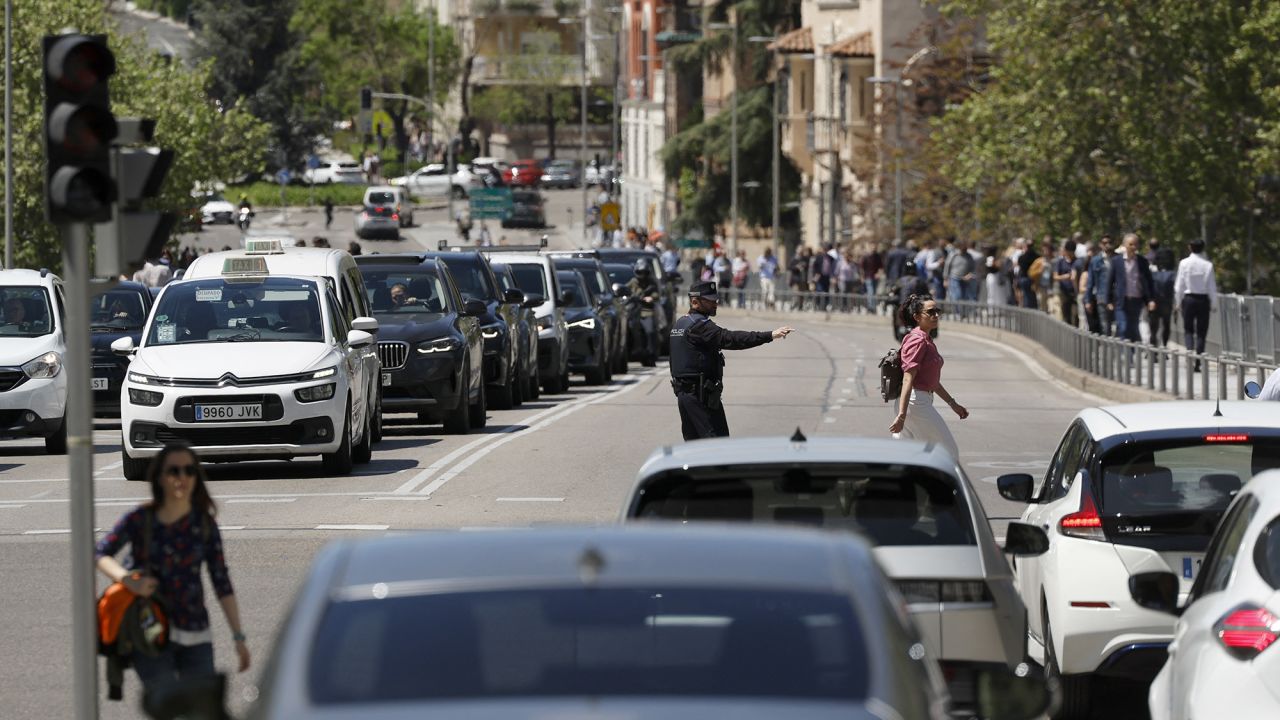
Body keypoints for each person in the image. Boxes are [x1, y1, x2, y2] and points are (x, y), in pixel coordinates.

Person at [94, 444, 250, 692]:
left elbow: (221, 582)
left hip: (196, 633)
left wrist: (238, 637)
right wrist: (128, 580)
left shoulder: (204, 524)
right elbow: (101, 552)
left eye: (189, 470)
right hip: (151, 632)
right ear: (160, 476)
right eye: (174, 471)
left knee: (201, 710)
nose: (182, 477)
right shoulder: (140, 518)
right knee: (166, 708)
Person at [669, 281, 793, 440]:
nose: (716, 303)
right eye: (710, 300)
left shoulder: (680, 324)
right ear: (695, 302)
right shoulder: (700, 326)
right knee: (717, 447)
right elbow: (732, 339)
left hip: (687, 395)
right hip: (700, 397)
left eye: (716, 299)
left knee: (695, 447)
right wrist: (769, 335)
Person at [889, 295, 968, 461]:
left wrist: (953, 404)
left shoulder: (926, 339)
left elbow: (933, 382)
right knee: (948, 453)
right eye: (931, 312)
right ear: (917, 317)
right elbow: (908, 379)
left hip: (917, 401)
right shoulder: (917, 341)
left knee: (910, 456)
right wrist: (902, 415)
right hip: (915, 403)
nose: (936, 315)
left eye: (938, 311)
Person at [1174, 238, 1218, 368]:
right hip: (1203, 300)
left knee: (1188, 329)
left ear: (1190, 247)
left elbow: (1179, 285)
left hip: (1188, 299)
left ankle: (1189, 355)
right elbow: (1211, 286)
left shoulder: (1184, 263)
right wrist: (1214, 303)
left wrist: (1177, 301)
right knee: (1201, 331)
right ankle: (1198, 359)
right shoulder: (1207, 265)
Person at [1108, 233, 1155, 343]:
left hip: (1136, 300)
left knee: (1133, 327)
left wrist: (1151, 300)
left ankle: (1132, 354)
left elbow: (1149, 281)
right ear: (1125, 245)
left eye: (1136, 244)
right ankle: (1125, 352)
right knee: (1123, 326)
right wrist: (1109, 300)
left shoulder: (1142, 261)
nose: (1133, 247)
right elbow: (1110, 282)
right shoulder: (1116, 261)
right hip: (1121, 300)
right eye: (1131, 244)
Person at [1084, 235, 1114, 335]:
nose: (1107, 245)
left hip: (1116, 298)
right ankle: (1107, 349)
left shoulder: (1118, 259)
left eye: (1109, 242)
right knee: (1105, 327)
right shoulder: (1095, 261)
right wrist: (1088, 300)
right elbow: (1090, 282)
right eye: (1105, 243)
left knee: (1119, 326)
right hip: (1102, 297)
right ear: (1101, 245)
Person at [1149, 248, 1177, 347]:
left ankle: (1153, 345)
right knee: (1166, 325)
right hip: (1167, 302)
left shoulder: (1153, 274)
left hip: (1155, 302)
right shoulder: (1172, 275)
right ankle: (1164, 346)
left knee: (1153, 327)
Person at [1053, 239, 1078, 327]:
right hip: (1064, 293)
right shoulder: (1060, 262)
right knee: (1065, 314)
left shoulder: (1077, 261)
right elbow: (1055, 276)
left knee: (1075, 314)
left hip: (1075, 293)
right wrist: (1065, 276)